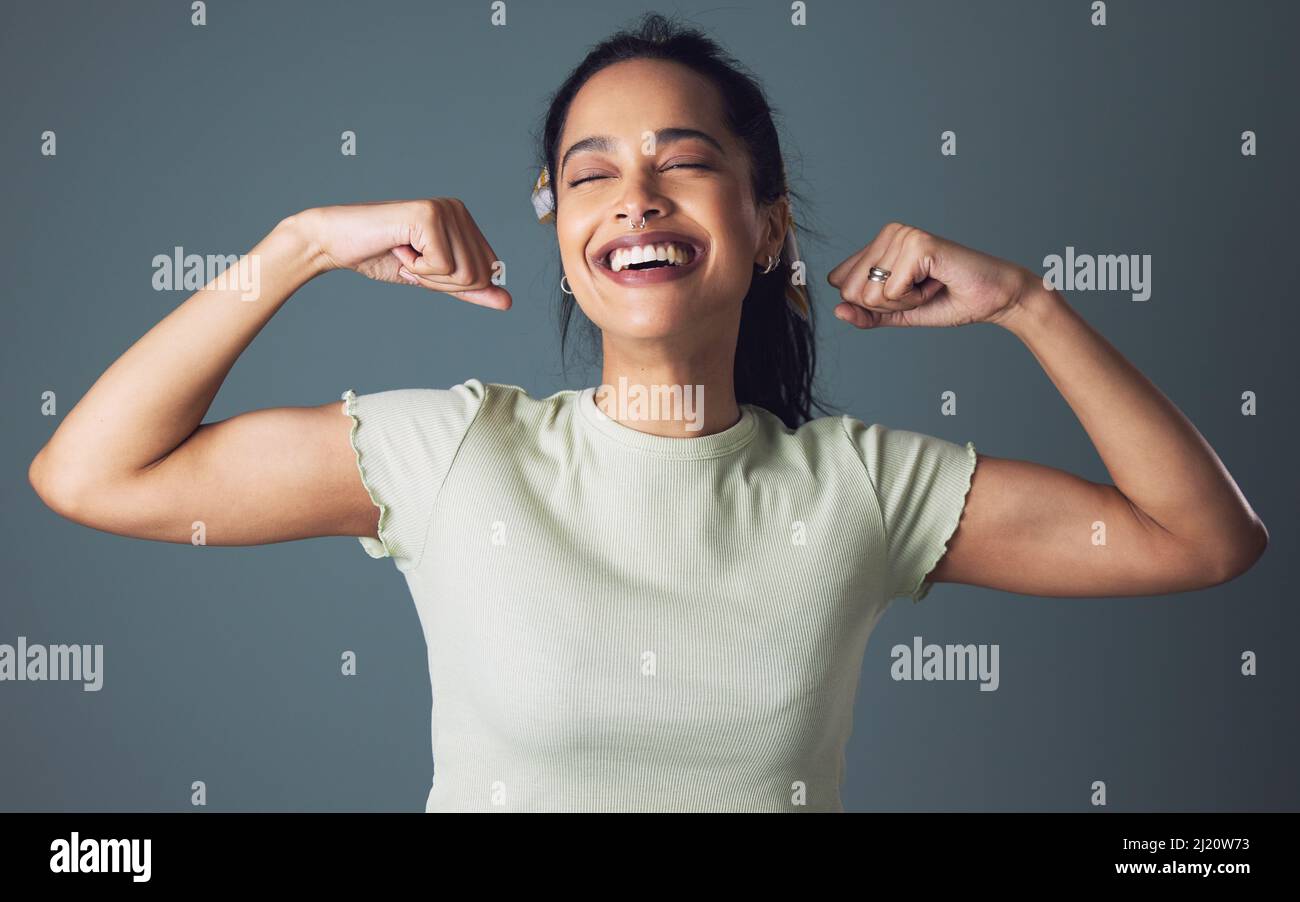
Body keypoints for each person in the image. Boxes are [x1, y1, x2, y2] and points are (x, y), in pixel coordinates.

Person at [27, 13, 1267, 812]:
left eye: (682, 162)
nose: (635, 197)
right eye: (590, 173)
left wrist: (1033, 305)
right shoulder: (452, 452)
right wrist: (294, 245)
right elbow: (94, 474)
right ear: (561, 230)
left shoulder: (862, 490)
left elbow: (1203, 539)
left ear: (766, 220)